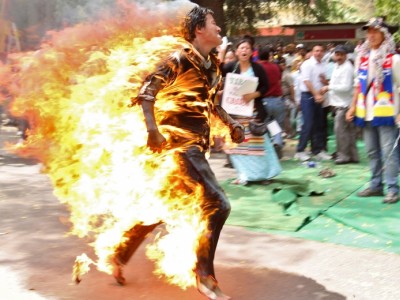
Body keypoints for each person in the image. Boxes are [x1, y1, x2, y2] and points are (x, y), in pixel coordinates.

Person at [112, 6, 245, 300]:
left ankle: (119, 254)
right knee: (218, 205)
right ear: (199, 29)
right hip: (178, 147)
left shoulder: (213, 66)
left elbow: (211, 106)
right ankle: (204, 277)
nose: (220, 29)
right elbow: (147, 92)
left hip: (197, 146)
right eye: (214, 24)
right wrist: (152, 130)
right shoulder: (179, 59)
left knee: (162, 209)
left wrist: (232, 123)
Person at [346, 17, 400, 204]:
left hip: (387, 114)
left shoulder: (393, 59)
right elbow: (357, 85)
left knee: (389, 152)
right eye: (369, 31)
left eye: (375, 31)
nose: (371, 35)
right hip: (365, 111)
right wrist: (352, 106)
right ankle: (376, 184)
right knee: (371, 151)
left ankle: (392, 187)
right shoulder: (362, 58)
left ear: (384, 35)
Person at [222, 38, 282, 184]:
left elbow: (265, 87)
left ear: (251, 52)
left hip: (253, 113)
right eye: (241, 48)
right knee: (239, 146)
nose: (244, 50)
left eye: (247, 48)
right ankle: (244, 175)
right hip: (235, 114)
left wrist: (253, 95)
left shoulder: (257, 68)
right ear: (236, 51)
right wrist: (221, 52)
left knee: (257, 144)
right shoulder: (231, 67)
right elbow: (216, 71)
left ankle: (263, 175)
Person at [321, 44, 359, 164]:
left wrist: (328, 87)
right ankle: (353, 156)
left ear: (346, 55)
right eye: (337, 54)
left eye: (341, 55)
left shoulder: (347, 68)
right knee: (348, 132)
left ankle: (343, 156)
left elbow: (346, 87)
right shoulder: (338, 66)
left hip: (344, 105)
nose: (339, 57)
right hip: (340, 103)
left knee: (340, 131)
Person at [294, 44, 331, 161]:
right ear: (313, 52)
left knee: (319, 125)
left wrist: (324, 84)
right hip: (308, 96)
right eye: (316, 51)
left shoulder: (323, 65)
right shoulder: (307, 64)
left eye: (321, 51)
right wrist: (316, 94)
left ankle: (317, 150)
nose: (318, 53)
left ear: (324, 52)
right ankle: (300, 150)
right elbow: (306, 81)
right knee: (308, 124)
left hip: (319, 96)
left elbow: (324, 82)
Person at [258, 45, 285, 158]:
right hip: (277, 100)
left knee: (265, 125)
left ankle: (269, 149)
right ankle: (277, 142)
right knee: (275, 124)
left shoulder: (257, 67)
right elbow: (279, 80)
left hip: (264, 101)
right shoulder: (276, 67)